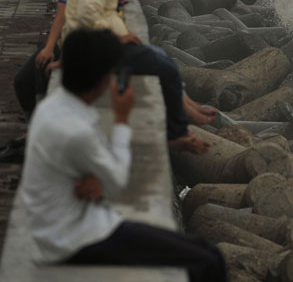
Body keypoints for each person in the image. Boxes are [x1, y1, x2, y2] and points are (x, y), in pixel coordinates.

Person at [20, 28, 226, 282]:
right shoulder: (76, 131)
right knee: (207, 259)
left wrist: (96, 176)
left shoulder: (55, 107)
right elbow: (118, 178)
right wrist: (121, 118)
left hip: (69, 224)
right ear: (100, 78)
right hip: (76, 239)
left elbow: (97, 166)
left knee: (204, 252)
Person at [62, 0, 210, 153]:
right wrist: (119, 38)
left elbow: (108, 16)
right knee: (165, 67)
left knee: (162, 59)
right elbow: (88, 17)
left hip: (103, 45)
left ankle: (185, 106)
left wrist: (126, 33)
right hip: (98, 50)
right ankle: (178, 128)